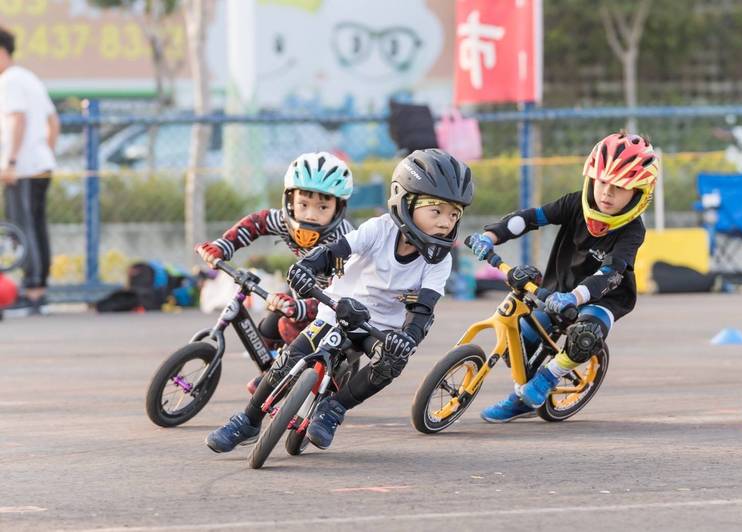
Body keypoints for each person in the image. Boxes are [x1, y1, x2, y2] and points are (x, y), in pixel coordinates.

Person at [205, 148, 474, 452]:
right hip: (337, 309)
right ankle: (248, 420)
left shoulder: (440, 262)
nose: (444, 222)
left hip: (379, 330)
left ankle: (334, 409)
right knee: (289, 360)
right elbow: (335, 251)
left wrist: (407, 337)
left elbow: (424, 308)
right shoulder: (379, 229)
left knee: (392, 362)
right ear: (406, 202)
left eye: (454, 214)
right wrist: (307, 268)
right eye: (435, 211)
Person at [468, 132, 659, 422]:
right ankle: (525, 394)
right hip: (557, 288)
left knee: (585, 336)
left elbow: (610, 273)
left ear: (639, 194)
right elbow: (530, 218)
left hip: (604, 299)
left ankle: (546, 380)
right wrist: (491, 235)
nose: (607, 192)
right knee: (518, 342)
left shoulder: (633, 231)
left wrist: (574, 298)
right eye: (602, 181)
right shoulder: (574, 205)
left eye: (620, 187)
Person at [196, 152, 354, 393]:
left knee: (289, 326)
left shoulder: (344, 242)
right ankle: (274, 371)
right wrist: (222, 246)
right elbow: (255, 224)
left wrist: (304, 308)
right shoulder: (284, 221)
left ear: (338, 208)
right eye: (303, 204)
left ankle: (291, 374)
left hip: (333, 308)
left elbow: (343, 295)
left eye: (322, 206)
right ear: (289, 200)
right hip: (302, 291)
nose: (310, 214)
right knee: (267, 330)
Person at [0, 26, 59, 314]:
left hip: (22, 168)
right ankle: (39, 289)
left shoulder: (9, 80)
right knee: (36, 227)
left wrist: (10, 162)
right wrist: (45, 151)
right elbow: (53, 122)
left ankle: (33, 292)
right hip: (40, 164)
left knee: (23, 229)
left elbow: (17, 121)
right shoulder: (29, 77)